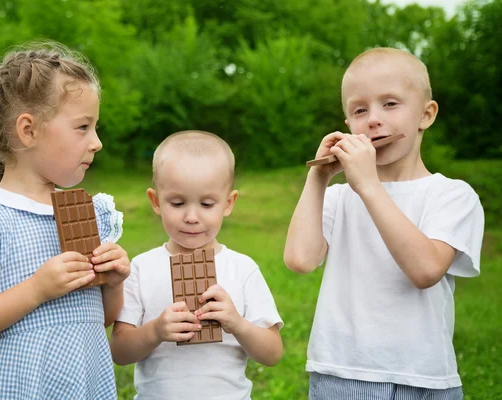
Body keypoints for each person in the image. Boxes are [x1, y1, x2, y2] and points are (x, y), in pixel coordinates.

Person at [0, 42, 129, 399]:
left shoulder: (90, 215)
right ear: (28, 130)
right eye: (83, 127)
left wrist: (112, 283)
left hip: (85, 387)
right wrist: (36, 290)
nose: (96, 142)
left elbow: (100, 318)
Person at [284, 47, 484, 399]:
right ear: (349, 126)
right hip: (342, 375)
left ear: (426, 114)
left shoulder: (452, 195)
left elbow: (425, 271)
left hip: (426, 379)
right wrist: (319, 179)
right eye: (360, 110)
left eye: (390, 104)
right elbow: (300, 260)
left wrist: (369, 186)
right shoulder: (338, 197)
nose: (373, 119)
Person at [110, 130, 283, 399]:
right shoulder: (141, 269)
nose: (192, 217)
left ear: (228, 203)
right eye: (177, 203)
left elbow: (272, 353)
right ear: (156, 202)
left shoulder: (242, 269)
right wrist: (156, 331)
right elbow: (119, 352)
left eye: (206, 203)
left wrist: (237, 324)